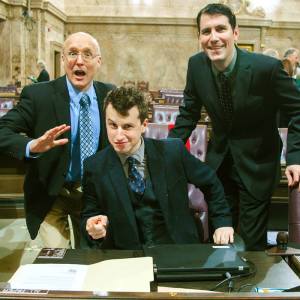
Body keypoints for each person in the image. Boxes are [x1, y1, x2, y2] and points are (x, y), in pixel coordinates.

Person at [168, 3, 300, 250]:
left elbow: (297, 110)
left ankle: (248, 287)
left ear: (235, 33)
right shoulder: (196, 66)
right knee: (221, 240)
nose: (213, 38)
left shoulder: (267, 69)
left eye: (221, 29)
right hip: (219, 166)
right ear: (199, 37)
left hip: (257, 168)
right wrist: (164, 151)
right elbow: (188, 114)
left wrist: (295, 156)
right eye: (206, 31)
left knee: (249, 246)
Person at [80, 87, 234, 250]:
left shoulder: (173, 152)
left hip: (178, 250)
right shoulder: (94, 166)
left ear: (144, 125)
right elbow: (89, 214)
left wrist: (222, 222)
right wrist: (92, 225)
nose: (118, 136)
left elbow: (211, 183)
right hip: (126, 255)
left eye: (127, 127)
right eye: (112, 125)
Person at [0, 32, 115, 248]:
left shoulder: (111, 95)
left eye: (87, 54)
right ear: (63, 59)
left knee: (91, 261)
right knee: (58, 265)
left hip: (95, 197)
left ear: (98, 62)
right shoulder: (38, 96)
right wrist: (32, 146)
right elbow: (2, 130)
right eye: (72, 53)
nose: (79, 61)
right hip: (52, 194)